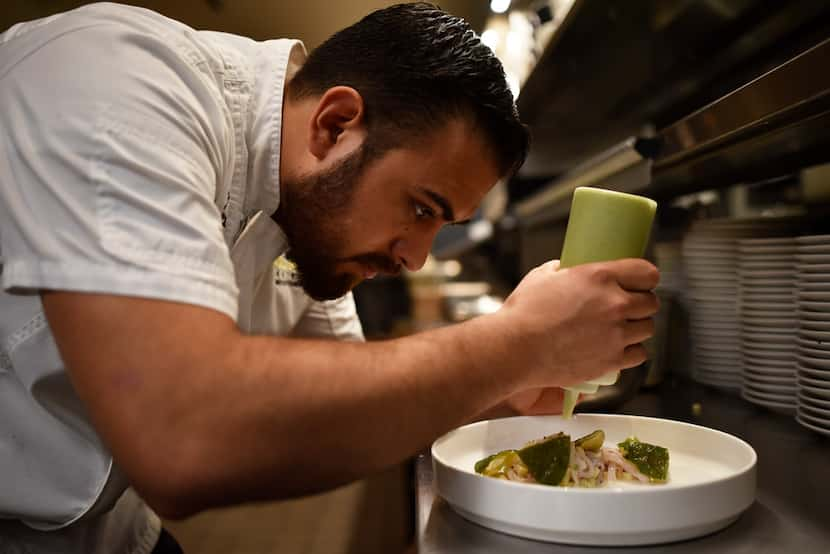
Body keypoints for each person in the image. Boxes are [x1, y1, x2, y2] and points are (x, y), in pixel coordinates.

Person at [0, 2, 659, 553]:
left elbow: (346, 392)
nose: (416, 258)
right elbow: (182, 435)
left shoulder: (301, 209)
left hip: (112, 535)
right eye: (422, 208)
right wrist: (521, 343)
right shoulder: (121, 83)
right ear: (336, 124)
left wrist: (514, 387)